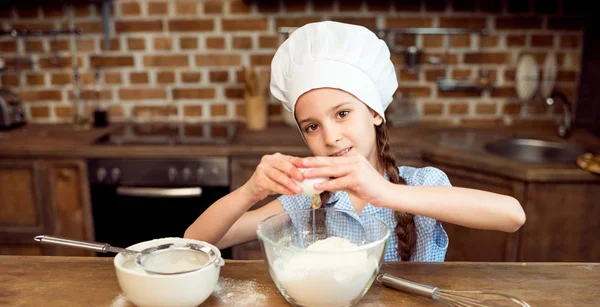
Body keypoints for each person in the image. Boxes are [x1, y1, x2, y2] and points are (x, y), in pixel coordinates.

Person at [184, 21, 526, 262]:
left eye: (342, 113)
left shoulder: (420, 184)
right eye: (312, 126)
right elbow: (195, 242)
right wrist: (249, 192)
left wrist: (386, 193)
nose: (330, 137)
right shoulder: (311, 200)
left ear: (375, 112)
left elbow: (512, 215)